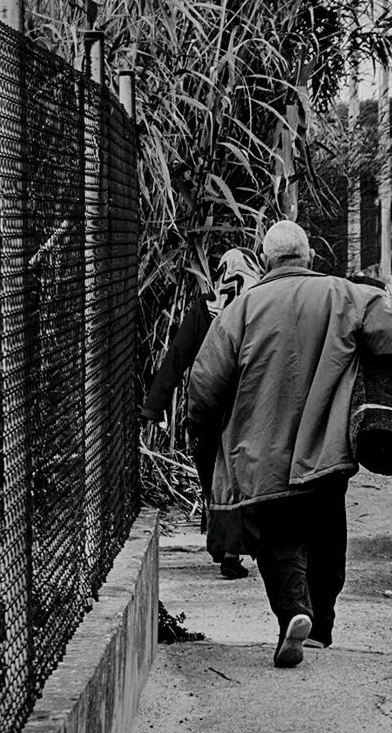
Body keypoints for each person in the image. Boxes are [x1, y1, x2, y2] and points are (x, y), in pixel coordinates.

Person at [187, 220, 392, 668]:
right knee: (328, 529)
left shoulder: (241, 309)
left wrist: (201, 429)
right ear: (309, 256)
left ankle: (294, 612)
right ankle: (323, 625)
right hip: (329, 445)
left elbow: (204, 384)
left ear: (266, 257)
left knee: (279, 538)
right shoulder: (348, 295)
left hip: (260, 450)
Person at [140, 247, 263, 579]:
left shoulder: (206, 306)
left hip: (207, 404)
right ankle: (232, 550)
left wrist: (155, 405)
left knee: (211, 473)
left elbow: (178, 355)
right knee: (240, 474)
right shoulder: (262, 304)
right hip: (249, 408)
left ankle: (220, 543)